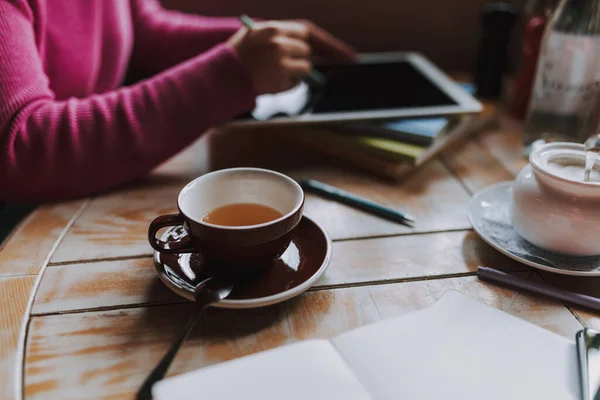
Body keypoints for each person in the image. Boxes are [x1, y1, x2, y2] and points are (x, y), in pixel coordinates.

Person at [0, 0, 355, 203]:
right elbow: (20, 150)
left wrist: (262, 43)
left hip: (85, 193)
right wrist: (230, 74)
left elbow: (142, 31)